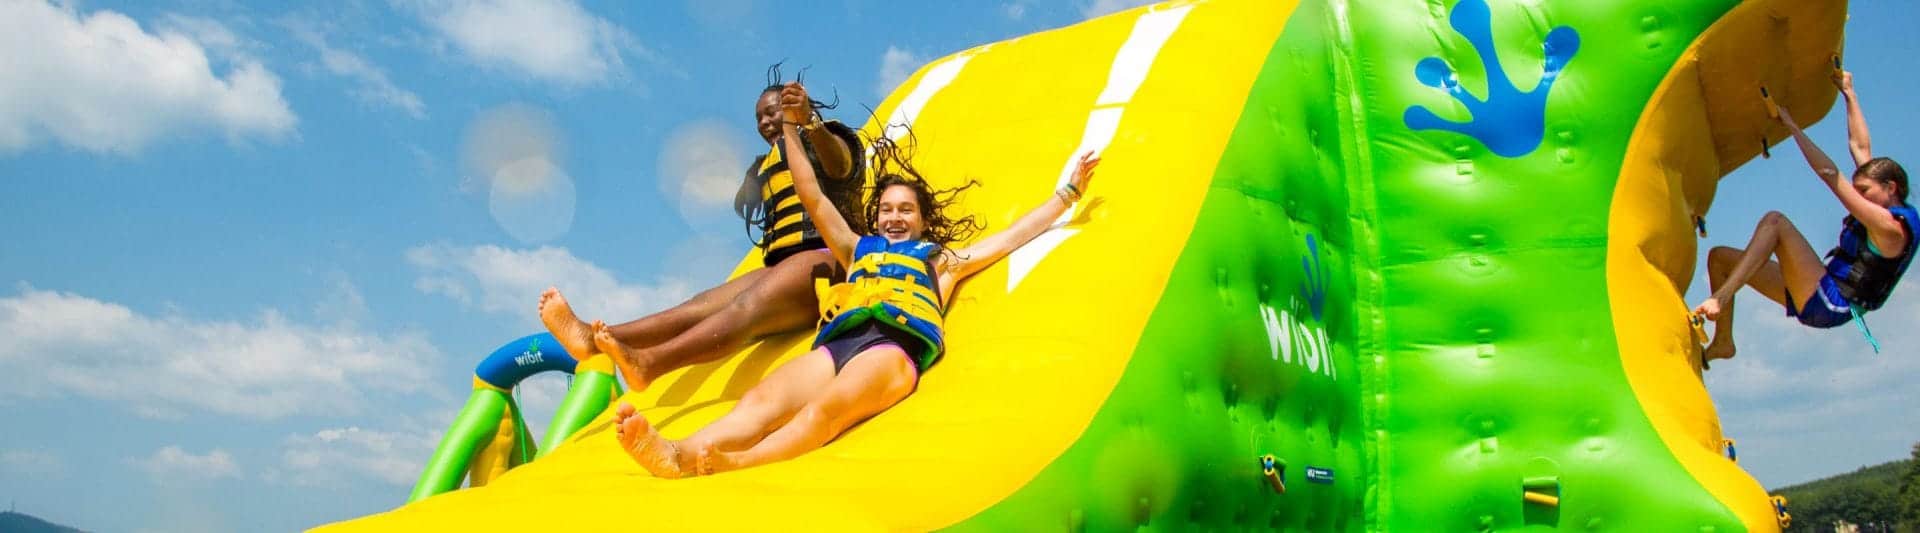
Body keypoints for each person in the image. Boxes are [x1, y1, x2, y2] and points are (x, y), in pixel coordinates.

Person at [605, 82, 1102, 477]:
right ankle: (676, 452)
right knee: (760, 401)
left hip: (892, 351)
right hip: (840, 343)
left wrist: (1067, 193)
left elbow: (1011, 237)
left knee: (826, 410)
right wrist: (793, 133)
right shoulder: (854, 248)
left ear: (922, 219)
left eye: (905, 210)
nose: (894, 217)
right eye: (886, 209)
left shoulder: (941, 261)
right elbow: (813, 196)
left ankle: (740, 462)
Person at [537, 67, 868, 392]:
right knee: (699, 305)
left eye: (772, 113)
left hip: (833, 259)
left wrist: (808, 120)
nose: (766, 123)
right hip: (787, 266)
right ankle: (592, 339)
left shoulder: (824, 138)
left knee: (746, 305)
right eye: (759, 119)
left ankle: (651, 362)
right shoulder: (767, 164)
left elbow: (839, 166)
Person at [1694, 69, 1915, 359]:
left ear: (1891, 188)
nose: (1860, 197)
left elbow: (1829, 174)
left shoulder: (1889, 227)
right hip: (1819, 289)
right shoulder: (1882, 198)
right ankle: (1724, 343)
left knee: (1776, 223)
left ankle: (1719, 299)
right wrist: (1849, 93)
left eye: (1865, 191)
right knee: (1720, 259)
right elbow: (1860, 147)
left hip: (1831, 303)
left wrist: (1791, 126)